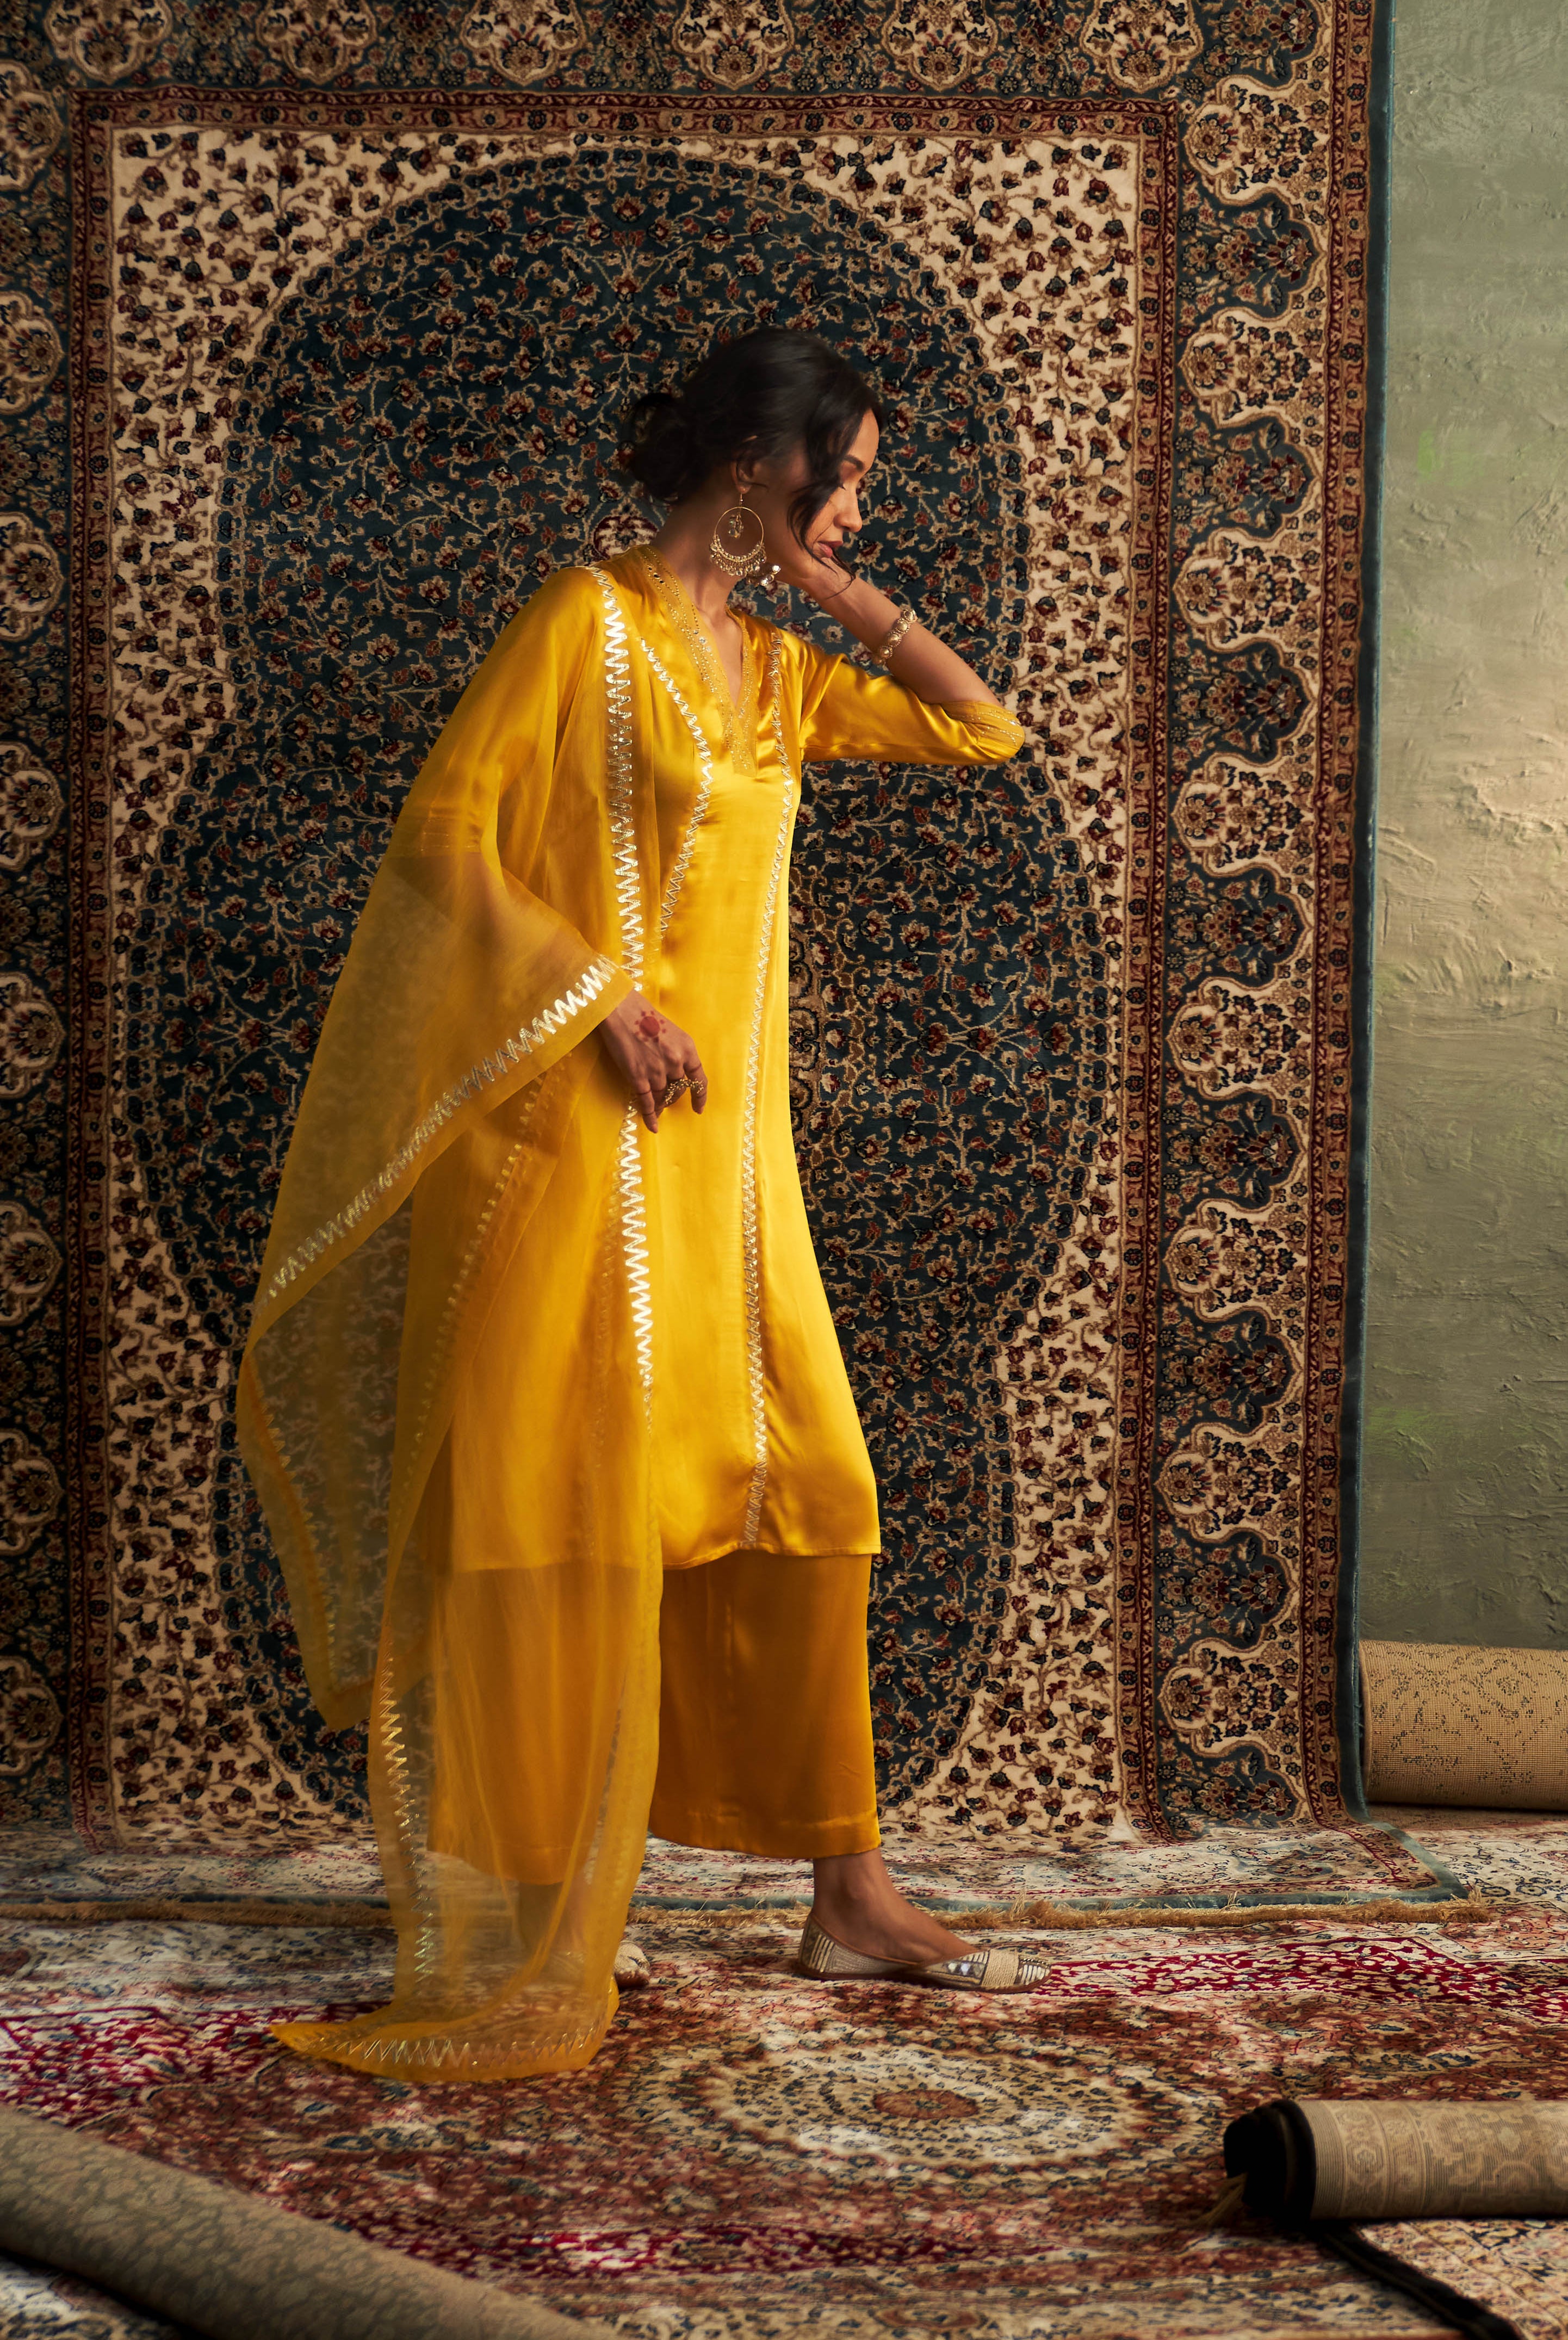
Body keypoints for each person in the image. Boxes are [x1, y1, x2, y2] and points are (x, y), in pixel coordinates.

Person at [238, 328, 1046, 2085]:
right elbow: (447, 844)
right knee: (565, 1512)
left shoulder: (776, 668)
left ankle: (848, 1894)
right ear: (762, 458)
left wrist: (834, 588)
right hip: (580, 1150)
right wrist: (595, 994)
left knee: (811, 1493)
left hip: (731, 1176)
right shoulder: (579, 625)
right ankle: (537, 1896)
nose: (859, 504)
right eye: (846, 477)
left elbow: (982, 731)